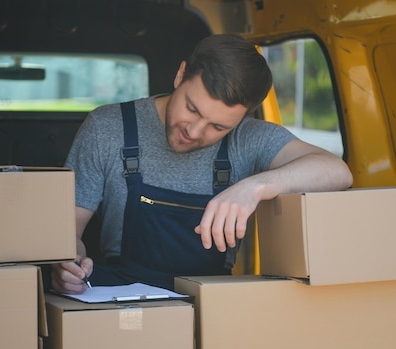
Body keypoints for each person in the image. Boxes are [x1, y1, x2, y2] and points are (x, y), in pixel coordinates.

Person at [51, 33, 353, 294]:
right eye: (191, 109)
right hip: (122, 307)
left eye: (218, 127)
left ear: (242, 118)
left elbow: (337, 171)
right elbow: (68, 231)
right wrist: (69, 265)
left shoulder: (249, 139)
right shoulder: (107, 127)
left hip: (212, 309)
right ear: (181, 75)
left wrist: (254, 187)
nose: (193, 132)